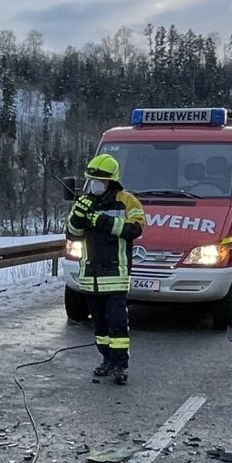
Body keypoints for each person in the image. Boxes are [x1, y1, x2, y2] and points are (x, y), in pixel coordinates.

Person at [69, 152, 144, 384]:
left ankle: (120, 365)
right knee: (100, 326)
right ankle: (106, 360)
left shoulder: (127, 201)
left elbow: (135, 229)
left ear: (110, 181)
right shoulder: (85, 202)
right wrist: (79, 216)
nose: (95, 184)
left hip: (115, 275)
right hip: (90, 275)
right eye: (91, 180)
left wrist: (101, 221)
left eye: (99, 180)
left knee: (117, 324)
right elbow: (72, 233)